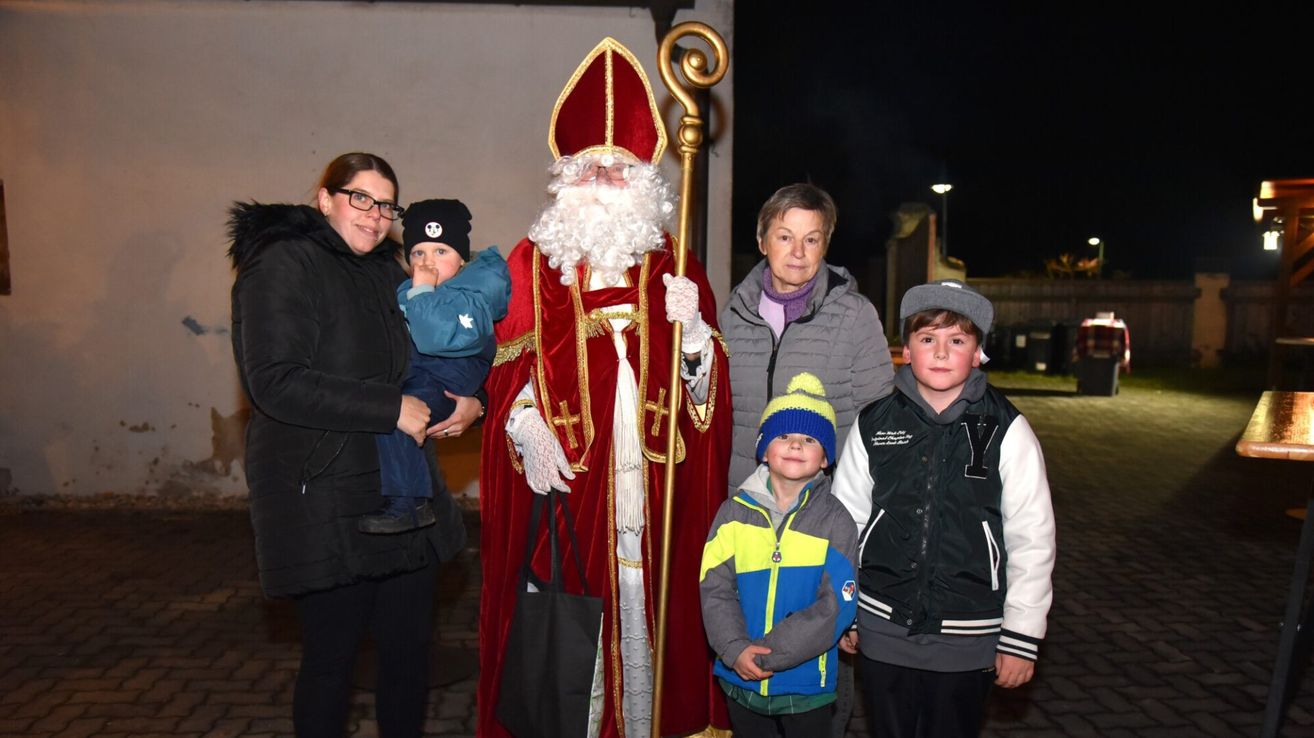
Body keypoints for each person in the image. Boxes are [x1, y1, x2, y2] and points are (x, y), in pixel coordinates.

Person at [477, 37, 732, 738]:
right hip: (571, 487)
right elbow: (505, 374)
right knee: (570, 628)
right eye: (593, 168)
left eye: (622, 171)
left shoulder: (673, 261)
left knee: (653, 610)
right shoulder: (533, 263)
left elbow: (707, 397)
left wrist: (698, 340)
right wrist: (525, 426)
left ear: (645, 182)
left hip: (653, 486)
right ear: (568, 178)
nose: (607, 182)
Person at [228, 153, 466, 737]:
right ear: (325, 198)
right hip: (328, 496)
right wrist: (389, 408)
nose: (375, 215)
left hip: (402, 496)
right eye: (361, 198)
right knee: (332, 664)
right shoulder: (282, 264)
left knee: (408, 659)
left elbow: (429, 357)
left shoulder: (389, 273)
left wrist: (465, 399)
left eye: (387, 205)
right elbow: (274, 381)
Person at [832, 279, 1057, 738]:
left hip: (969, 632)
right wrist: (844, 608)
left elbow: (1032, 538)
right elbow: (846, 521)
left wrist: (1021, 637)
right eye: (927, 338)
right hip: (882, 624)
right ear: (906, 350)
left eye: (957, 341)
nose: (940, 352)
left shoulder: (1008, 429)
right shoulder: (874, 424)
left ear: (978, 354)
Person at [720, 182, 894, 735]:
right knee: (744, 630)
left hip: (823, 512)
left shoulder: (853, 315)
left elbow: (876, 421)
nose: (798, 252)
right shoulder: (732, 312)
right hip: (746, 506)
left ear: (826, 245)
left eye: (812, 239)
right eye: (785, 236)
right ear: (763, 239)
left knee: (817, 634)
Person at [700, 372, 858, 738]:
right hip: (740, 677)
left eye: (809, 439)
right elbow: (715, 588)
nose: (795, 445)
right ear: (764, 448)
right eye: (783, 436)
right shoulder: (732, 513)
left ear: (824, 459)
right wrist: (735, 648)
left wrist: (769, 654)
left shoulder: (836, 521)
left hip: (805, 684)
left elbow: (836, 604)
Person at [359, 199, 510, 535]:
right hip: (424, 372)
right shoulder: (416, 289)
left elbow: (434, 339)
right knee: (388, 415)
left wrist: (422, 292)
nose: (428, 263)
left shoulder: (471, 293)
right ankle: (403, 499)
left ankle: (409, 505)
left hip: (448, 377)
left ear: (462, 258)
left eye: (441, 252)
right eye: (418, 253)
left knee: (397, 418)